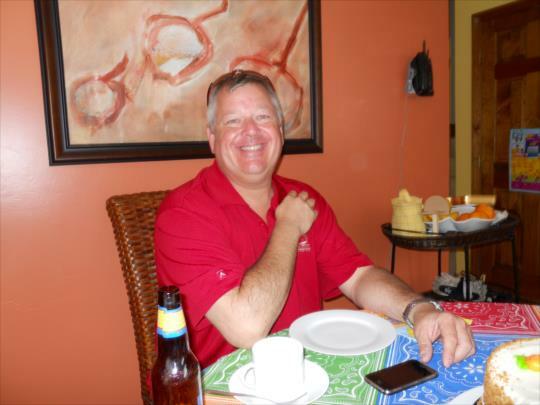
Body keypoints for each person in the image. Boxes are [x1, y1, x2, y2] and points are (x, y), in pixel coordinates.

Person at [155, 69, 475, 369]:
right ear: (212, 138)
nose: (250, 130)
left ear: (280, 131)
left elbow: (359, 277)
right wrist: (288, 226)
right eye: (233, 120)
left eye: (263, 117)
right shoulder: (183, 214)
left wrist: (419, 309)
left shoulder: (303, 198)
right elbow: (247, 327)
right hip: (223, 389)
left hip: (311, 374)